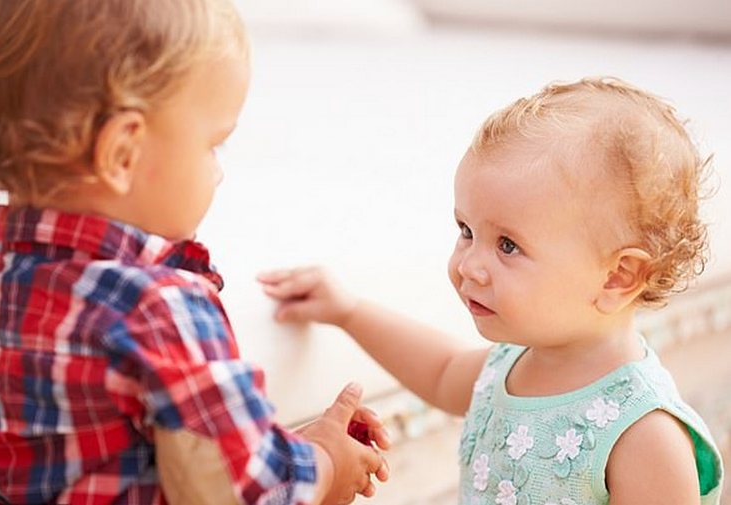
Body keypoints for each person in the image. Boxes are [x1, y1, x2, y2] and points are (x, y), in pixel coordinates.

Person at [0, 0, 389, 503]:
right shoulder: (157, 308)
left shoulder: (14, 283)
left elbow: (163, 458)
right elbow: (246, 494)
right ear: (122, 153)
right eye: (212, 145)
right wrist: (328, 464)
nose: (219, 171)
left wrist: (291, 448)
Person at [259, 77, 725, 504]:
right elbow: (441, 372)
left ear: (617, 277)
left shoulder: (644, 434)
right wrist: (349, 312)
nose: (469, 266)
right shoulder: (512, 362)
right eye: (466, 230)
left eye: (508, 245)